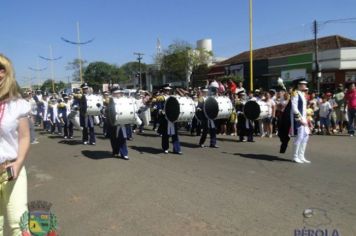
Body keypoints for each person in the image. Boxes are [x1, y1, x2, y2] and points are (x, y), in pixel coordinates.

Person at [0, 54, 31, 234]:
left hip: (10, 169)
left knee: (19, 224)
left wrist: (19, 163)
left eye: (1, 69)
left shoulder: (17, 105)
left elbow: (24, 137)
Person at [290, 78, 311, 164]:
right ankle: (295, 156)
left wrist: (306, 119)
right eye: (304, 84)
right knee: (299, 137)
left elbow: (303, 108)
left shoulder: (302, 94)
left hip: (304, 118)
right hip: (298, 119)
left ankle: (301, 156)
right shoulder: (295, 93)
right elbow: (294, 108)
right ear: (299, 85)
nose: (305, 86)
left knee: (306, 136)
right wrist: (300, 119)